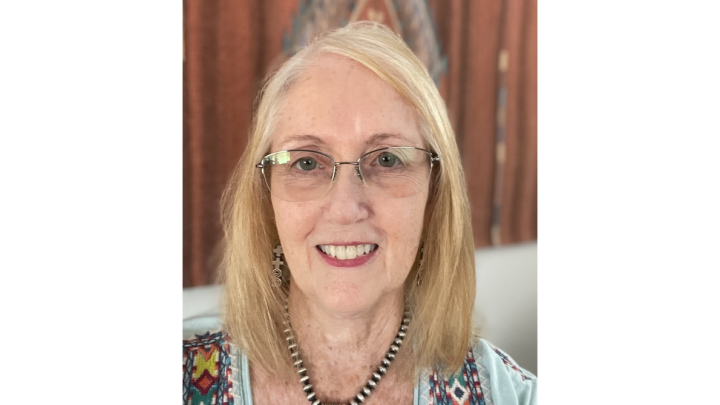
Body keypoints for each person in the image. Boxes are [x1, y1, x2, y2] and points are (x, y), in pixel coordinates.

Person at [183, 21, 537, 405]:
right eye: (306, 163)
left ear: (434, 193)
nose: (345, 209)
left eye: (387, 160)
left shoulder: (511, 395)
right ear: (265, 198)